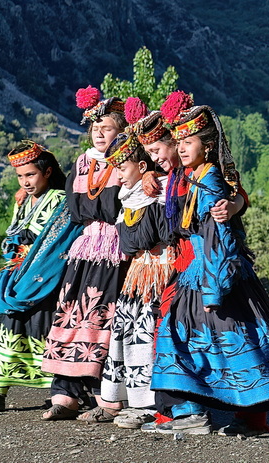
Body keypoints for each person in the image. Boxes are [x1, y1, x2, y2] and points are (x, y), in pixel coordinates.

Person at [148, 92, 269, 437]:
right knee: (237, 339)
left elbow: (218, 236)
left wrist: (214, 286)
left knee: (183, 337)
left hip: (212, 273)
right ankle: (252, 418)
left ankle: (194, 414)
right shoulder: (196, 176)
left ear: (206, 146)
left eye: (188, 141)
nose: (181, 147)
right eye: (178, 141)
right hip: (210, 271)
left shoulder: (208, 181)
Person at [40, 86, 129, 421]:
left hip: (116, 248)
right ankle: (65, 394)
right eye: (95, 127)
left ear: (122, 131)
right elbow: (77, 210)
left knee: (106, 318)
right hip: (87, 246)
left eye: (107, 127)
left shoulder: (129, 164)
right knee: (72, 314)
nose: (99, 132)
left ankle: (106, 396)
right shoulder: (83, 162)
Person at [0, 141, 75, 411]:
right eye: (20, 176)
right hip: (17, 274)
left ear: (48, 172)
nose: (25, 182)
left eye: (30, 175)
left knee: (40, 329)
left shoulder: (60, 200)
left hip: (43, 277)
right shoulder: (24, 201)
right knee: (7, 326)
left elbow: (55, 242)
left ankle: (56, 393)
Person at [98, 119, 173, 429]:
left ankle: (154, 404)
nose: (119, 176)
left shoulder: (156, 195)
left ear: (143, 166)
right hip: (139, 273)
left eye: (124, 169)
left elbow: (151, 237)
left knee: (148, 334)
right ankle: (135, 400)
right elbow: (129, 244)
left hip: (159, 270)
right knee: (128, 334)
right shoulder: (128, 201)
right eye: (116, 170)